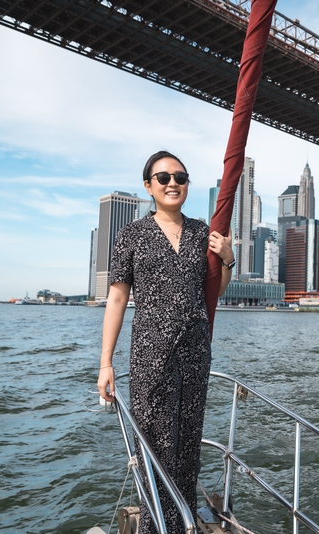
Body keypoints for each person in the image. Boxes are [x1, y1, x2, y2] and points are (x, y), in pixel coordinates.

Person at [97, 150, 234, 533]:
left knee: (188, 449)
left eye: (181, 176)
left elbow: (214, 290)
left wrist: (227, 259)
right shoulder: (133, 235)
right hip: (151, 354)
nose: (173, 183)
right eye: (163, 178)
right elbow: (118, 298)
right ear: (149, 186)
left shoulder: (201, 231)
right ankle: (157, 527)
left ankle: (181, 524)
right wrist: (106, 363)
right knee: (156, 449)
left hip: (195, 353)